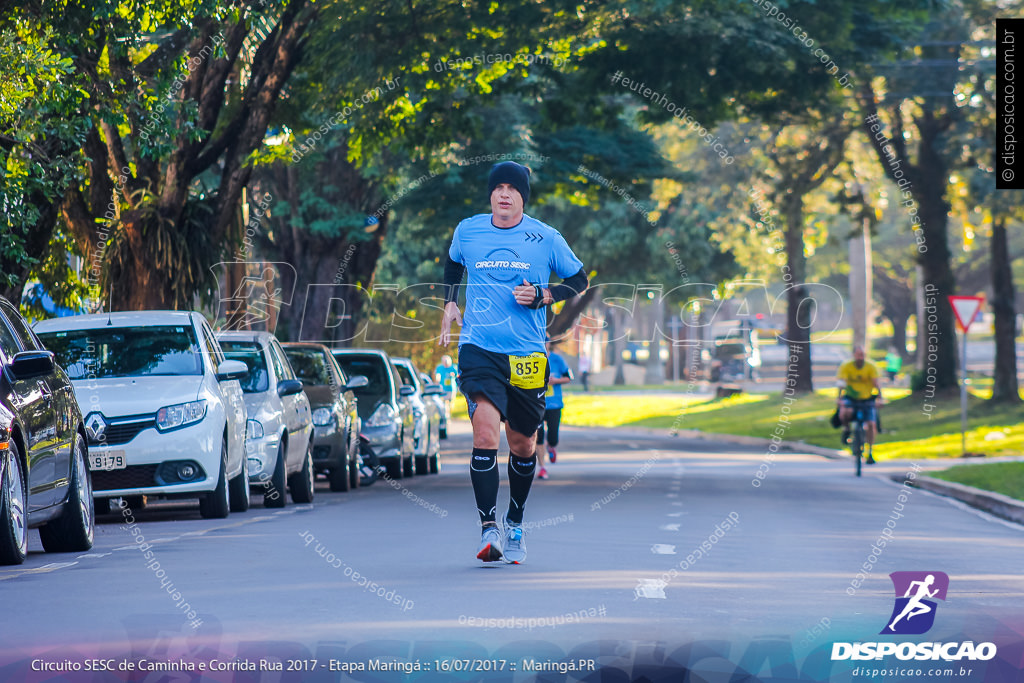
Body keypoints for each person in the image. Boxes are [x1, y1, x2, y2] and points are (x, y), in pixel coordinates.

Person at [439, 160, 588, 564]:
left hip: (526, 356)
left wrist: (543, 294)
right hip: (479, 348)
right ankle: (489, 527)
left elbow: (579, 280)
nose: (504, 194)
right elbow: (453, 262)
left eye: (513, 188)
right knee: (485, 433)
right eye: (498, 187)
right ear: (490, 194)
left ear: (523, 196)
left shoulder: (546, 237)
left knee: (524, 445)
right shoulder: (468, 230)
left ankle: (516, 520)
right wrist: (451, 300)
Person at [836, 345, 883, 464]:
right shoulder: (846, 366)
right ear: (854, 355)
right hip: (851, 397)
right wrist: (839, 398)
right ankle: (846, 429)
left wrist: (880, 398)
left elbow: (876, 383)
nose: (860, 357)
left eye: (862, 355)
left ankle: (870, 452)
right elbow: (842, 384)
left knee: (871, 425)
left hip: (867, 398)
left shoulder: (871, 366)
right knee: (844, 413)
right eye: (858, 355)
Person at [536, 337, 572, 479]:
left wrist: (556, 380)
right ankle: (542, 468)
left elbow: (569, 377)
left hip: (554, 404)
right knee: (538, 437)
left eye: (546, 341)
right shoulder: (532, 357)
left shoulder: (557, 359)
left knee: (553, 437)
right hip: (537, 404)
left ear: (549, 343)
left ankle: (551, 446)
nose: (544, 343)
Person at [434, 354, 459, 420]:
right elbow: (438, 375)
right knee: (445, 402)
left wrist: (453, 375)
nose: (446, 363)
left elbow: (458, 375)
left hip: (452, 388)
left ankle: (448, 414)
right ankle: (446, 416)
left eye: (447, 362)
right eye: (444, 362)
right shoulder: (439, 368)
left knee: (451, 402)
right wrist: (437, 381)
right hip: (443, 388)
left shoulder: (453, 367)